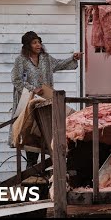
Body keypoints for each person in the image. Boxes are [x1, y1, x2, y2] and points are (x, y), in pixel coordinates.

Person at [9, 31, 83, 168]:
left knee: (45, 134)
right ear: (27, 45)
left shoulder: (46, 59)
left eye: (39, 42)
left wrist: (73, 58)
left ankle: (44, 172)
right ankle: (30, 173)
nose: (38, 45)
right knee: (30, 138)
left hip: (45, 102)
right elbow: (16, 79)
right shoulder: (21, 60)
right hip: (28, 104)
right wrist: (32, 89)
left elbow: (60, 64)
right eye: (34, 42)